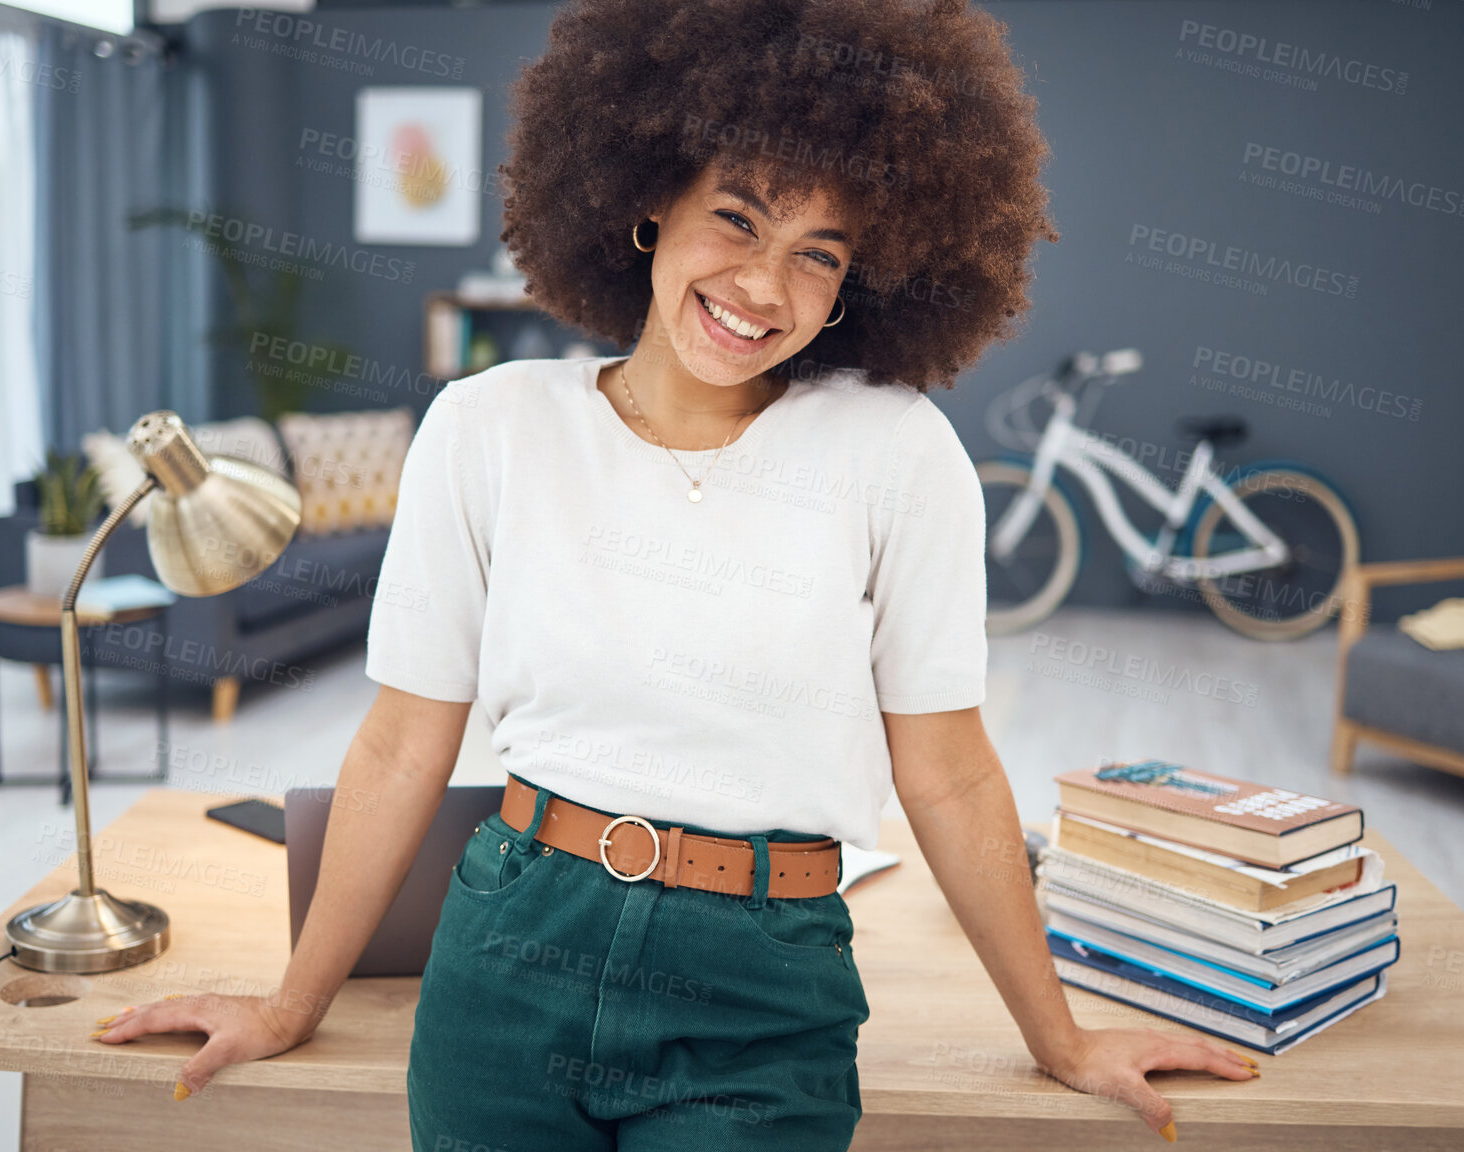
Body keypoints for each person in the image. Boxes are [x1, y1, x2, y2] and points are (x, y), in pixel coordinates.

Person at [91, 0, 1258, 1146]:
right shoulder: (489, 426)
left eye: (818, 255)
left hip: (760, 981)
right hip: (509, 951)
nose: (763, 286)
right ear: (648, 197)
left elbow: (948, 775)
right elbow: (403, 741)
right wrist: (293, 1004)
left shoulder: (896, 451)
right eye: (737, 219)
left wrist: (1059, 1038)